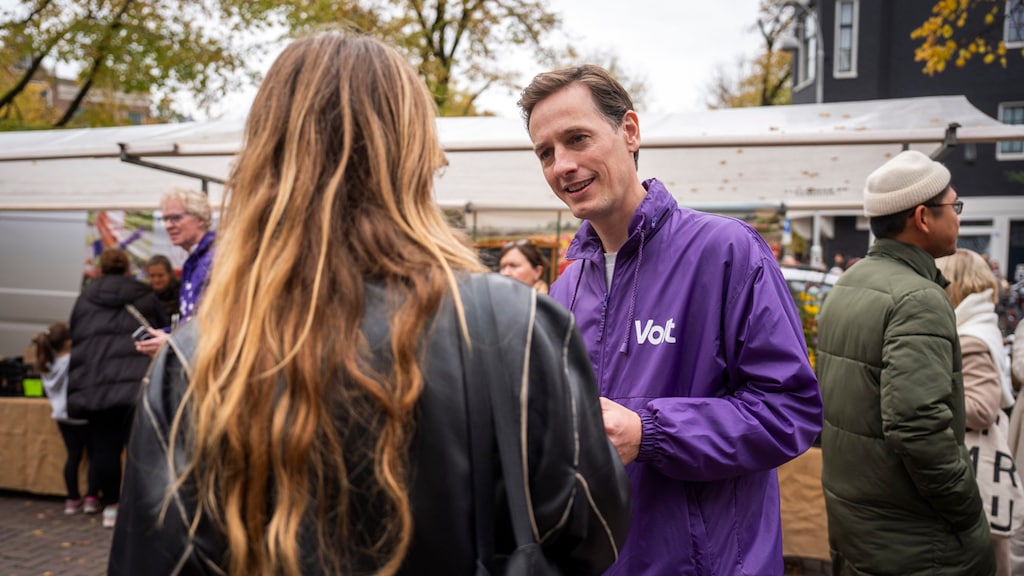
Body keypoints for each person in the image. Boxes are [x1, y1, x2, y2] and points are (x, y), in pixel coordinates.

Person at [109, 33, 631, 576]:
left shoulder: (197, 357)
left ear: (267, 156)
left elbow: (151, 557)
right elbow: (591, 532)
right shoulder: (515, 325)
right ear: (416, 153)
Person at [518, 65, 823, 575]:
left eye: (577, 139)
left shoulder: (726, 251)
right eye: (546, 153)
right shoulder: (568, 286)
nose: (562, 165)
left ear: (630, 132)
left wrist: (650, 432)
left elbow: (789, 412)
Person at [816, 150, 994, 574]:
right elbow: (917, 426)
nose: (959, 218)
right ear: (922, 217)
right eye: (955, 206)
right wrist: (968, 508)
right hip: (916, 540)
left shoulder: (849, 283)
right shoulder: (918, 298)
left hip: (859, 524)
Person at [67, 248, 167, 529]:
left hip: (97, 385)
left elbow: (75, 333)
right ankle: (143, 507)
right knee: (142, 448)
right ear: (127, 269)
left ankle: (111, 505)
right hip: (137, 383)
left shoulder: (85, 298)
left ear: (99, 269)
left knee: (104, 448)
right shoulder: (144, 294)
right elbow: (162, 331)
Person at [937, 248, 1021, 576]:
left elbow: (982, 409)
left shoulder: (970, 336)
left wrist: (928, 400)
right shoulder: (980, 325)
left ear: (954, 285)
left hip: (972, 463)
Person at [135, 188, 215, 356]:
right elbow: (191, 320)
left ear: (200, 218)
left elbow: (217, 323)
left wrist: (172, 342)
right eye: (165, 219)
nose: (168, 225)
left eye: (176, 218)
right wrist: (165, 334)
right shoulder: (195, 260)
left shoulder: (213, 259)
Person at [32, 321, 99, 516]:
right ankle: (91, 497)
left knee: (73, 456)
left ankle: (72, 498)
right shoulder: (73, 360)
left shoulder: (47, 362)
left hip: (62, 416)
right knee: (94, 457)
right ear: (69, 342)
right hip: (81, 415)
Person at [144, 254, 180, 321]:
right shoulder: (145, 294)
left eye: (160, 275)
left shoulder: (181, 292)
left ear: (170, 274)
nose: (156, 280)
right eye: (152, 276)